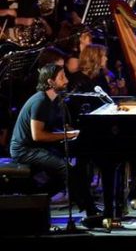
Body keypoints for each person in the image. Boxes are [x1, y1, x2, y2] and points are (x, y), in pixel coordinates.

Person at [9, 64, 102, 226]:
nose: (66, 80)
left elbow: (53, 127)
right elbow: (37, 135)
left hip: (37, 147)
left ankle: (35, 200)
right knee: (67, 171)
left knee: (71, 173)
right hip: (25, 149)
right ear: (50, 82)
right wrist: (69, 135)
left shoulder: (54, 100)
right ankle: (90, 211)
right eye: (61, 78)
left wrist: (70, 131)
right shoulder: (40, 101)